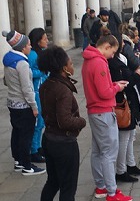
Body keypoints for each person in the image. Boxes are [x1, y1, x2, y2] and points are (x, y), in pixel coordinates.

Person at [81, 35, 132, 201]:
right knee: (109, 154)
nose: (112, 56)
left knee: (97, 151)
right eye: (113, 51)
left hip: (94, 111)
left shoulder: (88, 59)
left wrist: (113, 85)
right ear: (107, 46)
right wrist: (117, 87)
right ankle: (112, 192)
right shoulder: (99, 62)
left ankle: (101, 186)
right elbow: (104, 93)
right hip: (103, 111)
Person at [38, 46, 86, 200]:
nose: (73, 66)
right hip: (63, 144)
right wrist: (82, 121)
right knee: (68, 187)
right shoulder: (62, 90)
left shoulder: (46, 84)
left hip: (49, 139)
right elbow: (64, 121)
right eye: (71, 64)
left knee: (53, 182)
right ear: (64, 68)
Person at [2, 30, 46, 176]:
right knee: (26, 135)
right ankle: (27, 166)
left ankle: (18, 161)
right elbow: (27, 88)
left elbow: (6, 81)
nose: (30, 47)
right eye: (28, 45)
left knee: (17, 133)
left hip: (12, 102)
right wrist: (34, 106)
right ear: (22, 47)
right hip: (23, 104)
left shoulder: (9, 60)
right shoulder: (22, 64)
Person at [107, 36, 140, 183]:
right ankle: (121, 170)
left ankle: (130, 164)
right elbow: (125, 80)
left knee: (130, 134)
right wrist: (137, 75)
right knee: (123, 137)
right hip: (122, 101)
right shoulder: (112, 63)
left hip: (129, 99)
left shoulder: (119, 58)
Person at [27, 28, 49, 163]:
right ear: (38, 40)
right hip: (36, 91)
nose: (47, 40)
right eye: (44, 38)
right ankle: (33, 150)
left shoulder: (40, 53)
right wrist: (43, 72)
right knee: (37, 123)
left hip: (42, 90)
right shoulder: (33, 55)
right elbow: (28, 73)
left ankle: (38, 146)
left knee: (41, 122)